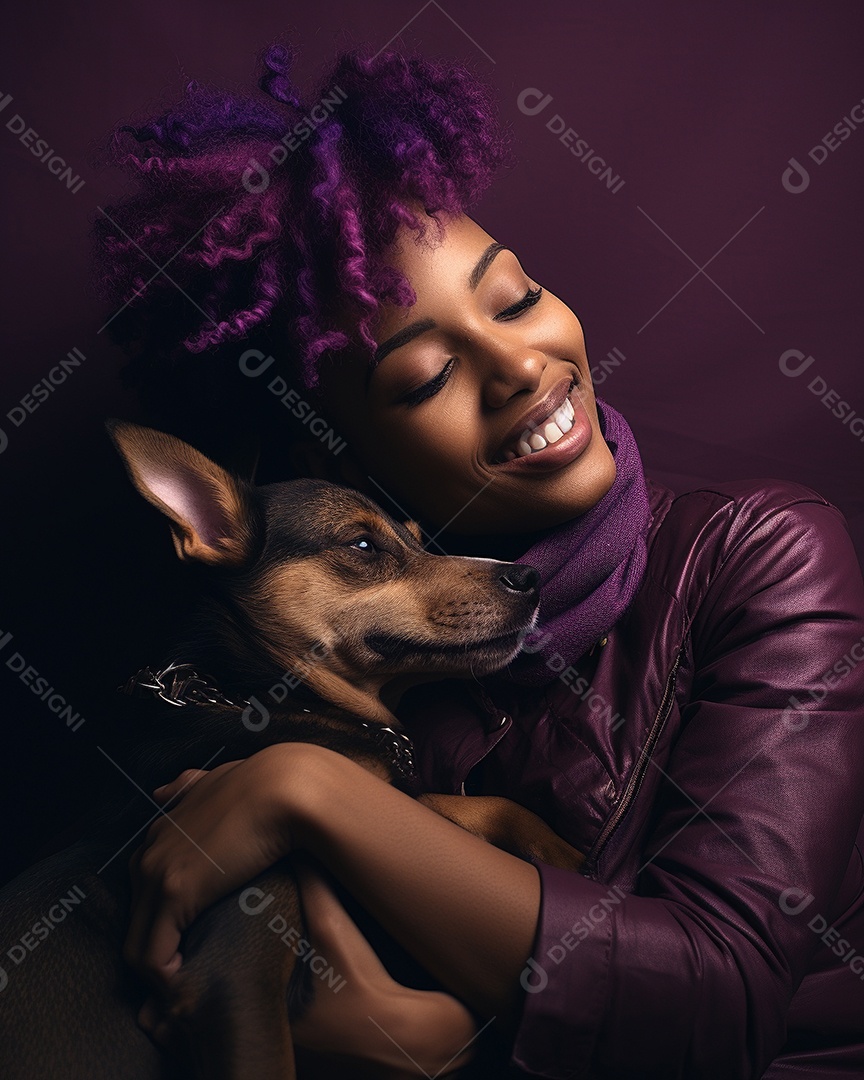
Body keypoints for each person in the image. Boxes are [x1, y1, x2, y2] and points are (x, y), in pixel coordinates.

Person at [98, 41, 864, 1078]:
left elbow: (721, 998)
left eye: (513, 300)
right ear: (342, 461)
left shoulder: (760, 549)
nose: (520, 365)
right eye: (423, 381)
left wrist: (304, 791)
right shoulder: (347, 654)